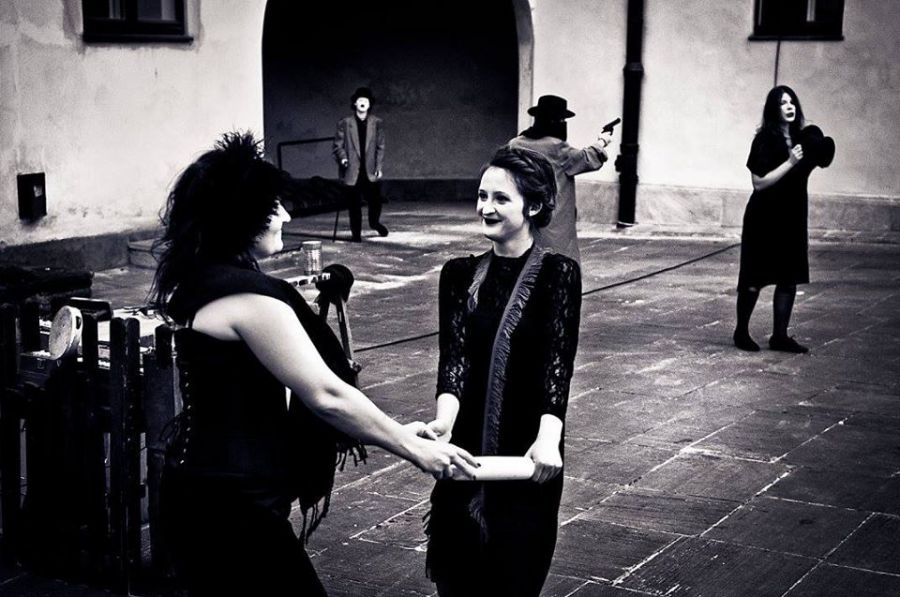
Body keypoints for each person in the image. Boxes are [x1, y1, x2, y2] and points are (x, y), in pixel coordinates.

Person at [149, 132, 476, 596]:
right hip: (232, 505)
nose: (286, 215)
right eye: (274, 207)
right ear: (241, 217)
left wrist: (394, 430)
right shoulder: (249, 299)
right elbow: (326, 394)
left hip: (201, 489)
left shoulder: (202, 282)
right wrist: (412, 449)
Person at [421, 146, 582, 597]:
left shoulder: (558, 273)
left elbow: (557, 364)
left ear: (533, 206)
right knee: (457, 576)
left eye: (500, 198)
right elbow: (453, 360)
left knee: (515, 577)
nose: (485, 208)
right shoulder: (458, 274)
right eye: (481, 195)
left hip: (528, 446)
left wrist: (548, 439)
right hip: (466, 443)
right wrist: (444, 422)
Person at [734, 85, 835, 353]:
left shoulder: (803, 138)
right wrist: (790, 162)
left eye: (792, 102)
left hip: (792, 217)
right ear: (773, 109)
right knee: (754, 277)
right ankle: (741, 331)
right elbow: (759, 182)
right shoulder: (764, 140)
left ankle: (780, 336)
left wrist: (820, 144)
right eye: (782, 103)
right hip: (764, 218)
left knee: (789, 277)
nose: (789, 107)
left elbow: (823, 157)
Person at [509, 94, 613, 264]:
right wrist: (602, 141)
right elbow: (586, 159)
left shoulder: (515, 144)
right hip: (553, 219)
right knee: (558, 260)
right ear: (555, 121)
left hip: (523, 213)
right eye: (562, 120)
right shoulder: (557, 147)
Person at [332, 86, 388, 241]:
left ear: (369, 104)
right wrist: (343, 158)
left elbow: (380, 147)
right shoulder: (345, 123)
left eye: (366, 100)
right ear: (355, 103)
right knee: (354, 205)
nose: (363, 103)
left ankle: (374, 223)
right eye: (360, 100)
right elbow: (337, 145)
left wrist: (379, 167)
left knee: (375, 201)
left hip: (369, 170)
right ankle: (356, 234)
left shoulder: (377, 123)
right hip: (352, 169)